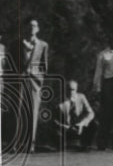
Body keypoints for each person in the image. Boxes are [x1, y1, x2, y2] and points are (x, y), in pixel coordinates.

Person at [17, 18, 49, 153]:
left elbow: (44, 65)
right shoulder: (17, 43)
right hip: (20, 80)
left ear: (38, 29)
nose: (32, 28)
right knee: (18, 110)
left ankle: (31, 144)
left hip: (35, 82)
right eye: (30, 26)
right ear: (26, 28)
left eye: (35, 26)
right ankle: (17, 143)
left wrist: (39, 78)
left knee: (33, 112)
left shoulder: (43, 45)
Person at [52, 79, 97, 150]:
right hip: (65, 128)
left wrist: (82, 124)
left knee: (93, 124)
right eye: (68, 89)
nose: (70, 92)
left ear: (76, 89)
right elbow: (53, 119)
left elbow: (91, 113)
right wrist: (64, 126)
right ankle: (61, 145)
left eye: (73, 90)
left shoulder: (81, 97)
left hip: (79, 127)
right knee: (54, 130)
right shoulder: (58, 101)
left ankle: (85, 145)